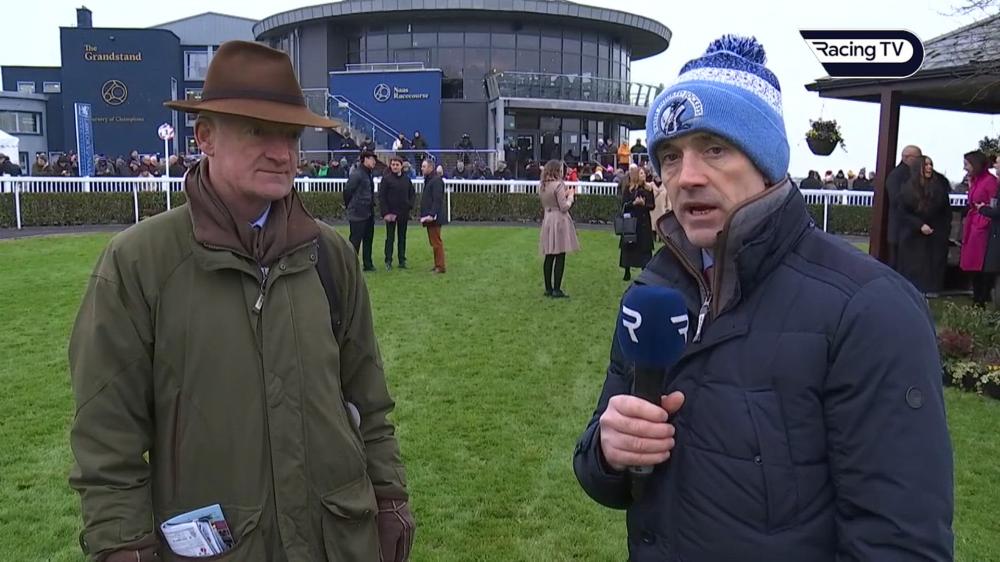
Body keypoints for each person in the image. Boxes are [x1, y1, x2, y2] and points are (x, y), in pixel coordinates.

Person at [574, 35, 953, 562]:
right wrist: (608, 450)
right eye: (670, 156)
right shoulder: (652, 292)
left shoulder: (871, 310)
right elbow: (602, 472)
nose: (687, 177)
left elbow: (899, 544)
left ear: (766, 160)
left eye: (714, 148)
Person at [69, 40, 413, 562]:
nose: (282, 152)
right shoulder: (139, 262)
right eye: (258, 131)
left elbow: (369, 399)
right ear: (204, 136)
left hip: (335, 540)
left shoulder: (328, 256)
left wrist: (389, 497)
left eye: (291, 135)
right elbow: (106, 434)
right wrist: (123, 546)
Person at [897, 155, 951, 294]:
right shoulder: (907, 189)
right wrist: (919, 225)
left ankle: (932, 289)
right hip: (913, 234)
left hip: (935, 233)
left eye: (930, 164)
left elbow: (946, 212)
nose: (929, 168)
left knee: (934, 263)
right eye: (926, 165)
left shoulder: (939, 188)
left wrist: (942, 231)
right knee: (914, 264)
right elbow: (903, 212)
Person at [960, 150, 999, 306]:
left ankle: (981, 298)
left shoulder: (990, 182)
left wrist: (984, 213)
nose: (964, 168)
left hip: (983, 227)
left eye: (967, 164)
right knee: (972, 264)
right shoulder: (975, 180)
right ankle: (977, 297)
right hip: (974, 225)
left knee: (980, 264)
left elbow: (994, 204)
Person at [538, 160, 580, 298]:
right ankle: (557, 289)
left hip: (548, 218)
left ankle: (548, 288)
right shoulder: (558, 185)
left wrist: (564, 194)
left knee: (549, 255)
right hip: (559, 220)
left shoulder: (543, 185)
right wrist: (570, 197)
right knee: (560, 255)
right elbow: (564, 207)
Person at [886, 145, 924, 270]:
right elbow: (896, 200)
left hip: (911, 229)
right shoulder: (897, 176)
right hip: (900, 229)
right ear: (906, 157)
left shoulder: (914, 175)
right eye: (918, 158)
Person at [619, 166, 655, 281]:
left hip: (644, 222)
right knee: (629, 245)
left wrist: (644, 204)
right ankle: (627, 271)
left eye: (644, 173)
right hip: (632, 221)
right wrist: (633, 203)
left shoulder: (648, 189)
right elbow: (624, 204)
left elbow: (652, 205)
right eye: (641, 173)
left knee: (644, 247)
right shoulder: (629, 189)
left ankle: (645, 270)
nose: (643, 176)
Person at [380, 156, 415, 270]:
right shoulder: (386, 179)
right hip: (390, 214)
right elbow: (382, 197)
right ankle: (388, 260)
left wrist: (409, 206)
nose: (395, 167)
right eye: (393, 165)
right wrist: (385, 213)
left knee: (402, 238)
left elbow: (412, 194)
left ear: (401, 166)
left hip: (403, 213)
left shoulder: (406, 179)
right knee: (390, 238)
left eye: (397, 165)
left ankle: (402, 260)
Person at [345, 150, 378, 271]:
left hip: (368, 212)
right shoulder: (357, 174)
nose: (374, 162)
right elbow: (348, 191)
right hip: (357, 213)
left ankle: (368, 264)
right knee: (355, 240)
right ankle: (351, 265)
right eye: (372, 159)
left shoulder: (368, 174)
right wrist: (351, 206)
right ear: (365, 159)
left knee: (368, 239)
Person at [419, 158, 447, 273]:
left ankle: (440, 266)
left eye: (424, 166)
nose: (422, 168)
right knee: (433, 242)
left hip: (434, 217)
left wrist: (432, 214)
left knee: (436, 242)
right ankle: (437, 265)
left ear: (430, 167)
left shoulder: (436, 181)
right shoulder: (430, 180)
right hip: (430, 216)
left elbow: (437, 199)